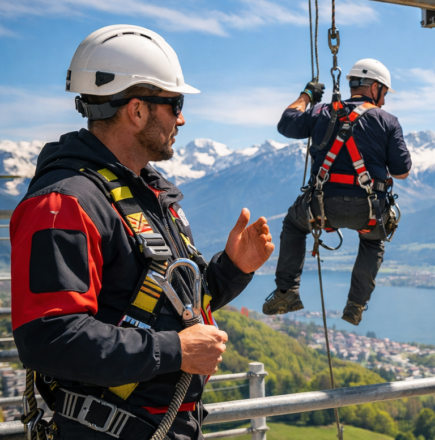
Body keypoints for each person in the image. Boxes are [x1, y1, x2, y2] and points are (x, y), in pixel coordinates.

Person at [11, 25, 275, 440]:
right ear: (136, 110)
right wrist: (178, 351)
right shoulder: (66, 203)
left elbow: (168, 302)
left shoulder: (146, 194)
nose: (182, 118)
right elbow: (49, 339)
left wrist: (232, 270)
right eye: (175, 104)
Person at [266, 58, 412, 325]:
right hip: (368, 211)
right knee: (373, 240)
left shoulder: (322, 111)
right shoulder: (388, 121)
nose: (385, 100)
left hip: (321, 207)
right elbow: (402, 172)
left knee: (294, 225)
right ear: (376, 88)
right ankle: (356, 306)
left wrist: (306, 95)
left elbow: (286, 123)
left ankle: (286, 293)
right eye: (385, 93)